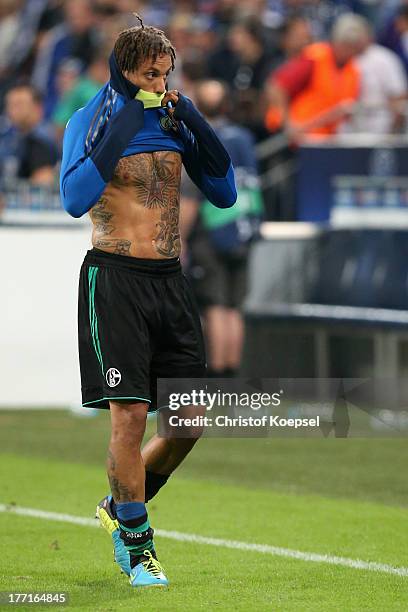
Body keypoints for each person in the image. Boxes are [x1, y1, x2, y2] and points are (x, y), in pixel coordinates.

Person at [60, 16, 236, 588]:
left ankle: (121, 503)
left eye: (165, 74)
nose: (159, 85)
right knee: (131, 419)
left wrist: (192, 119)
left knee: (188, 424)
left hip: (169, 282)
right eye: (149, 75)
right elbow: (74, 198)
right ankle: (138, 549)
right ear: (123, 70)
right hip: (114, 280)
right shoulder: (90, 120)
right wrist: (128, 117)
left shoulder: (170, 116)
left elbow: (225, 193)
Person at [184, 79, 264, 378]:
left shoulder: (200, 138)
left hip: (212, 230)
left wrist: (180, 238)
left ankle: (217, 375)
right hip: (244, 226)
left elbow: (192, 196)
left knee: (216, 305)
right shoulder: (243, 137)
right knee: (235, 307)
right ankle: (233, 372)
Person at [265, 13, 362, 141]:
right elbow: (276, 87)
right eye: (347, 45)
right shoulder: (314, 60)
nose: (350, 51)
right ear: (337, 41)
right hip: (294, 138)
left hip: (323, 141)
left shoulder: (352, 70)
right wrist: (288, 123)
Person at [1, 83, 58, 186]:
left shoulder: (41, 140)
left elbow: (42, 184)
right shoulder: (9, 137)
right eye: (10, 104)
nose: (12, 110)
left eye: (19, 104)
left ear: (37, 108)